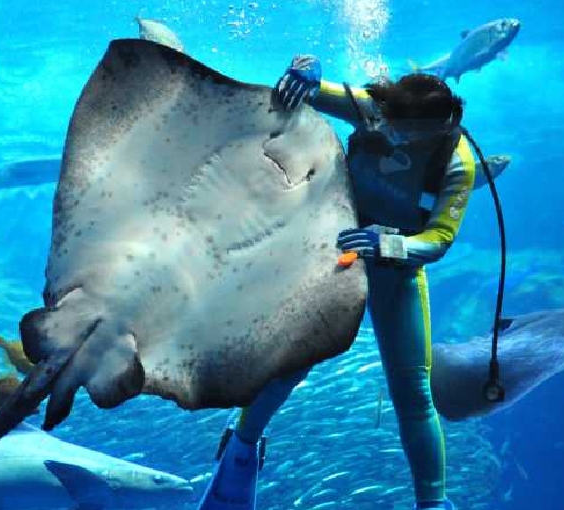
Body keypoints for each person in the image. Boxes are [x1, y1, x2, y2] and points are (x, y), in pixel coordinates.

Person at [197, 54, 476, 510]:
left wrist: (390, 247)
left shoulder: (456, 163)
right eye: (385, 121)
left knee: (412, 390)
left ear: (432, 129)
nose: (388, 132)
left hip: (395, 273)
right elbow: (307, 90)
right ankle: (241, 449)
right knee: (292, 360)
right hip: (335, 250)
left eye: (401, 130)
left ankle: (433, 503)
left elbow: (440, 239)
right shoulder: (373, 108)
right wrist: (303, 72)